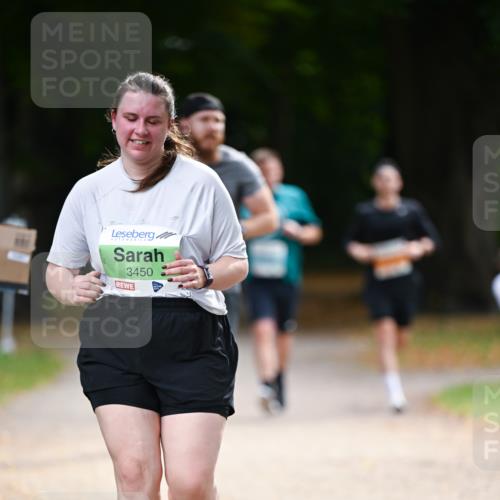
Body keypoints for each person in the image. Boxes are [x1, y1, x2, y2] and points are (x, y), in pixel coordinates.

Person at [45, 72, 248, 500]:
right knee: (135, 477)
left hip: (191, 336)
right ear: (114, 119)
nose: (141, 130)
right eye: (131, 118)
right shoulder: (89, 191)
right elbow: (58, 268)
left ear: (170, 124)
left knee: (190, 483)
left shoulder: (201, 183)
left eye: (153, 120)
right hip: (115, 334)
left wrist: (206, 274)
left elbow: (237, 261)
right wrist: (71, 289)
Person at [178, 93, 279, 334]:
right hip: (171, 276)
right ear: (183, 125)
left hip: (221, 280)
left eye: (218, 120)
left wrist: (228, 233)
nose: (212, 127)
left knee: (220, 361)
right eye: (204, 119)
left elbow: (269, 218)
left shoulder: (239, 165)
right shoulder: (167, 163)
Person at [345, 158, 439, 413]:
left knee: (401, 338)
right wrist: (362, 252)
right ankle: (396, 395)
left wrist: (419, 247)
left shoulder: (411, 210)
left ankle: (389, 367)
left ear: (399, 183)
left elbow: (431, 239)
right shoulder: (365, 212)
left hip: (405, 283)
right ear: (375, 183)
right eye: (381, 179)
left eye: (391, 179)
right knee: (385, 335)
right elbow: (351, 242)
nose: (386, 183)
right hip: (378, 284)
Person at [243, 148, 322, 413]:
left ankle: (278, 379)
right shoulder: (245, 198)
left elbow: (315, 232)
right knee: (263, 329)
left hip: (287, 276)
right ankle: (266, 384)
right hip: (256, 277)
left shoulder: (294, 196)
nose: (269, 176)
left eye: (273, 171)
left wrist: (299, 232)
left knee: (284, 333)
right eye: (263, 172)